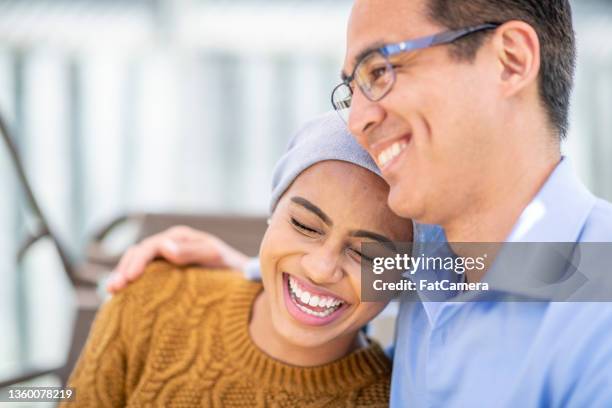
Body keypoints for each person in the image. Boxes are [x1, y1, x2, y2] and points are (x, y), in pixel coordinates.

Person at [109, 0, 612, 406]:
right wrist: (254, 270)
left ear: (510, 61)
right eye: (353, 87)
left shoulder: (597, 323)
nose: (356, 121)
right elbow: (341, 271)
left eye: (381, 69)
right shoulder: (443, 265)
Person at [64, 113, 413, 407]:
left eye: (369, 255)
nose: (321, 268)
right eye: (304, 225)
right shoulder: (153, 300)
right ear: (272, 211)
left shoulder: (389, 398)